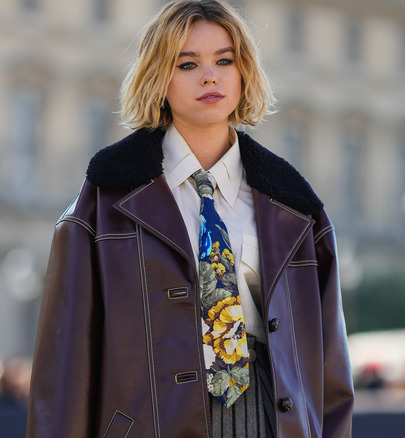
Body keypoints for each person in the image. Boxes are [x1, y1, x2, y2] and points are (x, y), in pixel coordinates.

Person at [26, 1, 354, 437]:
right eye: (187, 63)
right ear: (160, 77)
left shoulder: (294, 205)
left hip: (270, 420)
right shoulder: (103, 201)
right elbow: (63, 370)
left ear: (244, 74)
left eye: (224, 60)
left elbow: (330, 368)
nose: (209, 76)